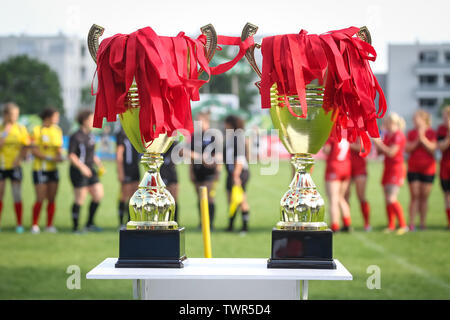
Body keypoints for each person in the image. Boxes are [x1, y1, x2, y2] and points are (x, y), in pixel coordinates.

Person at [68, 110, 105, 233]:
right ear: (84, 121)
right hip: (78, 171)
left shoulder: (91, 135)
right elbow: (71, 156)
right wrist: (82, 167)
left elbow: (91, 153)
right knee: (80, 199)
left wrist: (98, 163)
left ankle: (89, 224)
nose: (93, 122)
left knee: (98, 194)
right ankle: (75, 228)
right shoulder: (75, 136)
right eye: (91, 119)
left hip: (91, 170)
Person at [373, 112, 408, 235]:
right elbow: (380, 153)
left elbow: (391, 152)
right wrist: (378, 143)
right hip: (387, 168)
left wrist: (378, 143)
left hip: (396, 169)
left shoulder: (399, 135)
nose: (385, 125)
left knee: (391, 198)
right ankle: (391, 225)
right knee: (387, 199)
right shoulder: (388, 135)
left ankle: (403, 225)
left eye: (387, 122)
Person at [30, 108, 64, 234]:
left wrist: (60, 156)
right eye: (56, 116)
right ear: (48, 117)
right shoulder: (37, 130)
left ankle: (49, 225)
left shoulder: (57, 130)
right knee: (40, 197)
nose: (57, 119)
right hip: (40, 169)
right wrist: (50, 157)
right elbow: (34, 150)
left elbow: (59, 149)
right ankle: (34, 224)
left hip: (53, 169)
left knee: (52, 198)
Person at [0, 103, 30, 233]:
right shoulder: (1, 129)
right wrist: (5, 132)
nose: (15, 117)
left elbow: (27, 145)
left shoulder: (21, 129)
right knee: (0, 194)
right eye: (13, 114)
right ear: (6, 115)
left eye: (17, 114)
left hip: (15, 167)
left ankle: (19, 224)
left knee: (17, 194)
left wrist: (20, 158)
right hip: (1, 166)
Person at [189, 111, 221, 230]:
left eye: (199, 120)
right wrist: (191, 171)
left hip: (210, 172)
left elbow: (218, 156)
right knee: (199, 197)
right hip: (197, 171)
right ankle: (202, 222)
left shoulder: (213, 136)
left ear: (206, 120)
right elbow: (190, 155)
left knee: (209, 197)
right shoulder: (194, 136)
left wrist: (218, 171)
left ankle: (210, 224)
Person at [405, 110, 437, 231]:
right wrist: (417, 139)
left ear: (423, 119)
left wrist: (423, 139)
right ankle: (412, 223)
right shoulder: (411, 132)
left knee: (424, 197)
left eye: (416, 118)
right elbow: (407, 149)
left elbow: (433, 149)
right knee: (415, 196)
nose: (414, 120)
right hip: (413, 168)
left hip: (428, 169)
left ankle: (423, 223)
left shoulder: (431, 132)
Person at [224, 115, 251, 233]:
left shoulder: (238, 138)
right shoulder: (231, 138)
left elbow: (240, 159)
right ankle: (231, 226)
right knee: (231, 200)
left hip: (239, 173)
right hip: (231, 173)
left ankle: (244, 227)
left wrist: (236, 176)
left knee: (241, 200)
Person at [323, 135, 352, 232]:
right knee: (341, 197)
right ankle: (347, 222)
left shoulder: (332, 135)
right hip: (346, 166)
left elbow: (326, 150)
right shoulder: (345, 134)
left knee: (333, 199)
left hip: (334, 167)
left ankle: (335, 225)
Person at [116, 127, 141, 229]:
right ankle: (121, 223)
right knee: (124, 196)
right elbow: (119, 155)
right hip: (126, 169)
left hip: (135, 168)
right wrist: (120, 172)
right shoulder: (121, 134)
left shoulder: (134, 132)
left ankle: (130, 221)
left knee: (134, 197)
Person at [345, 138, 371, 231]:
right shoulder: (344, 131)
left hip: (360, 168)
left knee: (361, 196)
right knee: (345, 196)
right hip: (346, 167)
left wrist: (347, 144)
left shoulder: (360, 132)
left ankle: (367, 223)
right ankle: (347, 224)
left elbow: (364, 148)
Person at [437, 106, 450, 229]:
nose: (445, 119)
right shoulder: (441, 129)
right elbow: (442, 146)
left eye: (446, 117)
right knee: (447, 194)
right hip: (445, 166)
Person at [160, 142, 179, 222]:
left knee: (174, 200)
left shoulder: (173, 141)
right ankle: (162, 221)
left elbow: (181, 152)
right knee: (161, 200)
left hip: (171, 172)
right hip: (161, 172)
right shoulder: (158, 142)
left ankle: (174, 221)